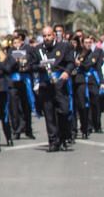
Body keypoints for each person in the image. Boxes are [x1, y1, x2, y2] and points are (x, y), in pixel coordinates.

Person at [34, 24, 75, 152]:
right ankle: (53, 141)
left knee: (64, 111)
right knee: (49, 114)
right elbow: (31, 65)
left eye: (49, 35)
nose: (46, 38)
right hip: (45, 85)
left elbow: (71, 62)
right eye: (44, 36)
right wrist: (40, 66)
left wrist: (66, 72)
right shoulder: (38, 49)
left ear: (54, 35)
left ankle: (64, 137)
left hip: (60, 84)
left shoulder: (64, 46)